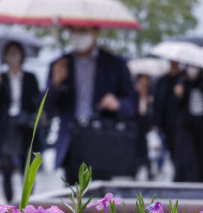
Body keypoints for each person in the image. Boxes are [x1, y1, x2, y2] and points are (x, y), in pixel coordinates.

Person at [45, 26, 137, 184]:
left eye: (83, 30)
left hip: (102, 139)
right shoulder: (60, 64)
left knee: (100, 194)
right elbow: (45, 108)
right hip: (71, 141)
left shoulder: (115, 64)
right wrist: (55, 85)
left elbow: (132, 104)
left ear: (96, 31)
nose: (79, 35)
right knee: (73, 194)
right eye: (75, 30)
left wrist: (118, 104)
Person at [0, 41, 41, 204]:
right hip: (6, 125)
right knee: (6, 166)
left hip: (25, 125)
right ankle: (10, 203)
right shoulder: (0, 78)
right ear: (5, 56)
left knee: (27, 165)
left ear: (22, 55)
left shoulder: (31, 77)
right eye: (10, 53)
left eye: (16, 52)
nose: (13, 56)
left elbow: (37, 100)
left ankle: (28, 202)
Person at [172, 64, 203, 182]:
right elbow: (176, 107)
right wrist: (179, 95)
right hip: (187, 127)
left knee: (202, 157)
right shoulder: (181, 83)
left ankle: (199, 183)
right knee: (188, 158)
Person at [153, 61, 184, 171]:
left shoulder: (184, 79)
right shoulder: (162, 81)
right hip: (166, 124)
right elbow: (157, 103)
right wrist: (155, 123)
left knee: (181, 151)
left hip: (182, 124)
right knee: (170, 149)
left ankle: (180, 172)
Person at [135, 73, 154, 179]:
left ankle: (149, 170)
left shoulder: (151, 95)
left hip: (147, 127)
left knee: (147, 150)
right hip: (136, 127)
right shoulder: (134, 94)